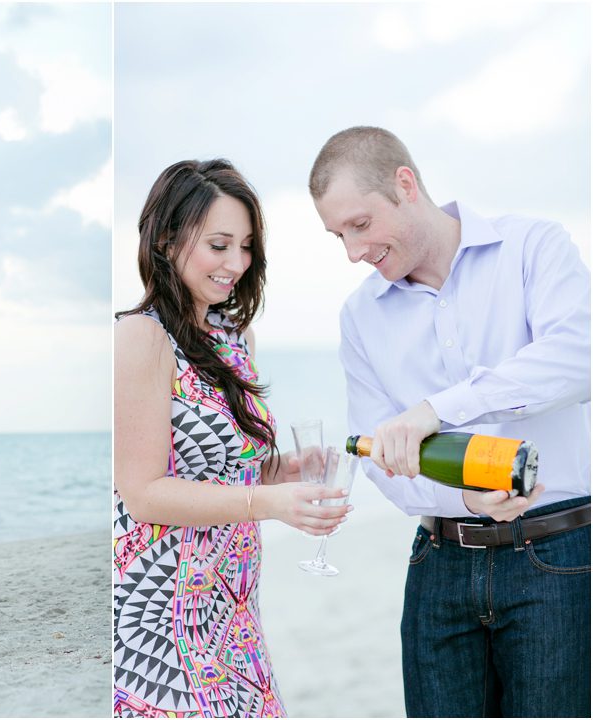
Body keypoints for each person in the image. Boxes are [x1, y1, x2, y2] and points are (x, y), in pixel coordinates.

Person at [309, 126, 591, 717]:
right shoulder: (360, 316)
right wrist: (469, 501)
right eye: (339, 235)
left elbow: (578, 358)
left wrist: (440, 409)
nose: (353, 252)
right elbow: (379, 456)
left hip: (561, 560)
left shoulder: (533, 247)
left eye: (360, 225)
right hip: (437, 567)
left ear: (405, 185)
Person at [114, 159, 352, 718]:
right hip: (163, 610)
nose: (236, 265)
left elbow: (224, 469)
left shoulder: (232, 335)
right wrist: (269, 503)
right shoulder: (139, 337)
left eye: (246, 247)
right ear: (167, 237)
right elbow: (144, 492)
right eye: (219, 245)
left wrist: (280, 472)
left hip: (234, 604)